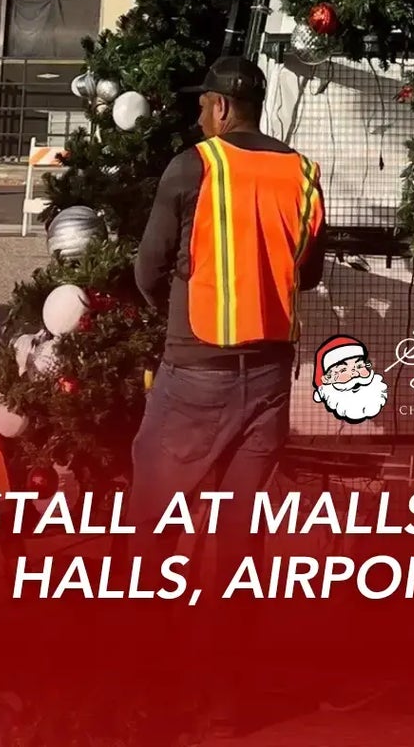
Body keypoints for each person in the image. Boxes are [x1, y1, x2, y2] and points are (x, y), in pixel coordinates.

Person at [129, 54, 325, 526]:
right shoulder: (302, 173)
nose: (198, 117)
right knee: (240, 523)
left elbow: (148, 270)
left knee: (154, 513)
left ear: (220, 107)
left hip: (196, 367)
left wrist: (175, 312)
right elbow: (310, 273)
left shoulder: (194, 165)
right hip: (271, 376)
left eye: (202, 106)